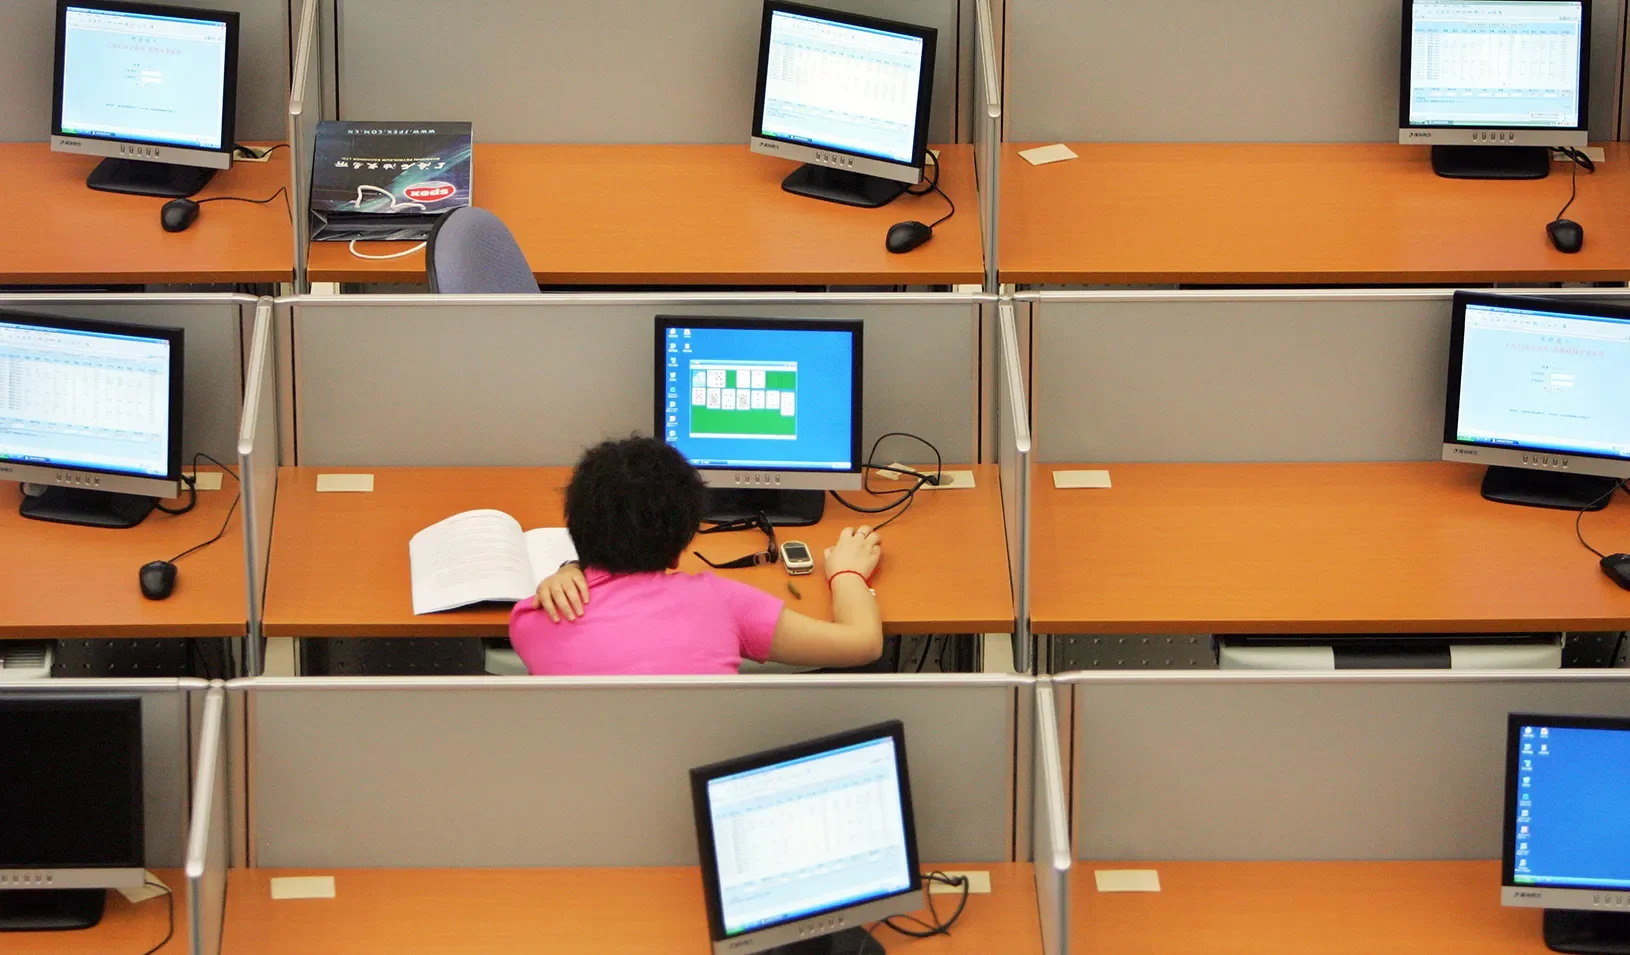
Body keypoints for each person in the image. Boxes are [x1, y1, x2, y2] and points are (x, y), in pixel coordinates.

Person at [509, 436, 884, 675]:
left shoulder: (530, 621)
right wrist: (848, 573)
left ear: (575, 526)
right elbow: (864, 644)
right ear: (678, 551)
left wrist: (571, 567)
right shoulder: (721, 601)